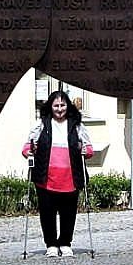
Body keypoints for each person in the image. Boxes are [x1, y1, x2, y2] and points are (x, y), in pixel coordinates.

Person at [23, 89, 94, 256]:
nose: (60, 109)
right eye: (56, 106)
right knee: (47, 213)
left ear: (68, 106)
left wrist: (86, 151)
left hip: (70, 177)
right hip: (46, 177)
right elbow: (28, 146)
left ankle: (65, 243)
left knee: (68, 213)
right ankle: (51, 245)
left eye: (63, 105)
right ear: (50, 106)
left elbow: (89, 148)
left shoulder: (77, 125)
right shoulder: (42, 124)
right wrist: (29, 151)